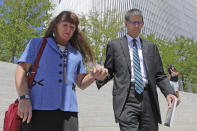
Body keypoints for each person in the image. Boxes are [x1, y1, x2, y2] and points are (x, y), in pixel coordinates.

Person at [15, 11, 108, 131]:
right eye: (65, 25)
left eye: (72, 27)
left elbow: (81, 83)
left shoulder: (76, 54)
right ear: (55, 26)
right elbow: (21, 69)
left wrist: (94, 75)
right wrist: (23, 98)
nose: (68, 29)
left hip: (69, 114)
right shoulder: (37, 44)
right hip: (37, 109)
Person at [96, 8, 178, 131]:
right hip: (126, 97)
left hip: (148, 97)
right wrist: (99, 77)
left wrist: (169, 92)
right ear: (126, 23)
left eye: (139, 23)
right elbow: (109, 70)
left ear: (143, 24)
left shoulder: (151, 47)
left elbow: (159, 75)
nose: (136, 25)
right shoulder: (114, 45)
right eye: (133, 22)